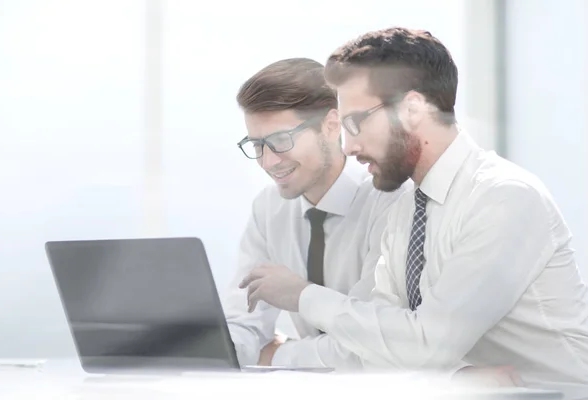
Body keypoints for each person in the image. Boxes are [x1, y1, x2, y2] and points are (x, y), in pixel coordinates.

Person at [239, 28, 588, 398]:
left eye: (356, 123)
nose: (349, 145)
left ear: (413, 109)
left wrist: (302, 297)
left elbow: (427, 343)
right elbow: (376, 342)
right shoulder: (407, 206)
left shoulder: (504, 198)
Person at [223, 57, 408, 367]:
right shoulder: (269, 208)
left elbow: (372, 345)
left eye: (281, 141)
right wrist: (219, 349)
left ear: (331, 126)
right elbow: (244, 322)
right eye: (257, 145)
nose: (268, 162)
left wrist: (275, 356)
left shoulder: (389, 202)